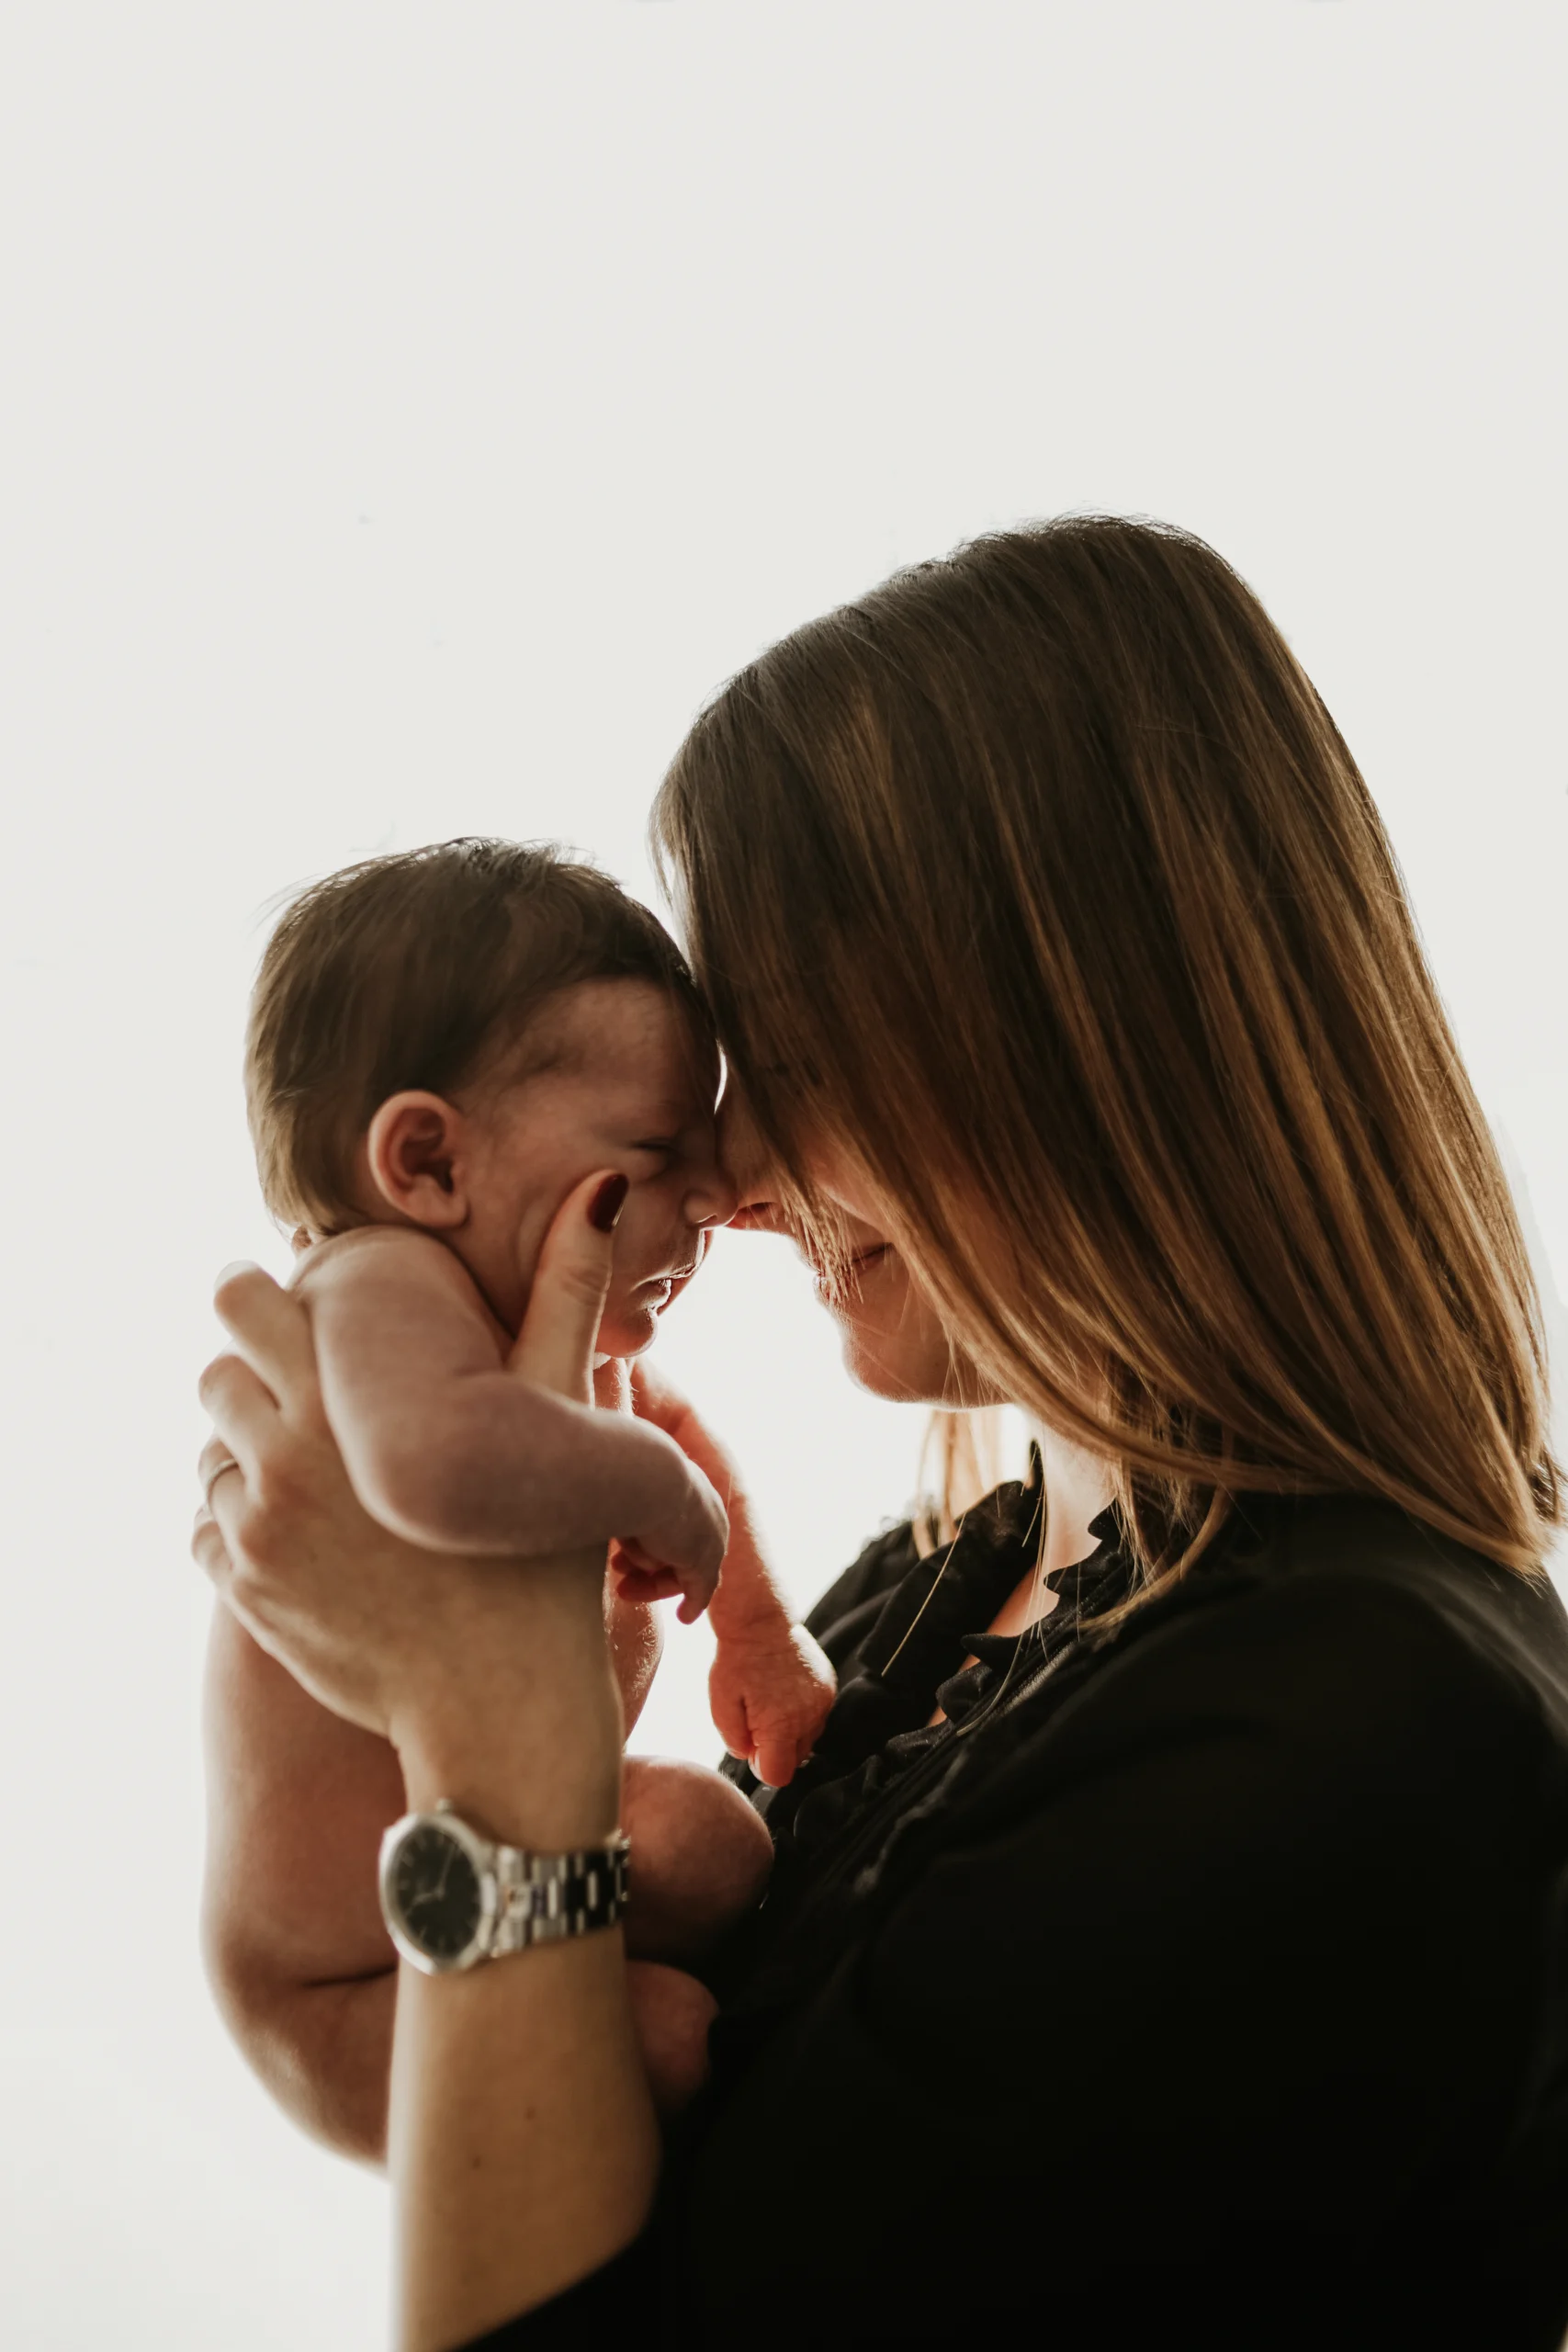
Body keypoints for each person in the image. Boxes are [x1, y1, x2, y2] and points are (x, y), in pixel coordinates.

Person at [195, 515, 1568, 2351]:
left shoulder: (1343, 1717)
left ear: (1055, 1035)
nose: (735, 1174)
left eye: (786, 1051)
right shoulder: (954, 1581)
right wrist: (548, 1712)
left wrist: (490, 1737)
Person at [204, 838, 832, 2142]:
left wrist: (757, 1631)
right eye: (657, 1149)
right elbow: (437, 1464)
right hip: (346, 1982)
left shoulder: (533, 1348)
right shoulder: (375, 1284)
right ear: (429, 1164)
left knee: (712, 1854)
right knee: (667, 2031)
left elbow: (672, 1435)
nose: (713, 1194)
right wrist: (660, 1494)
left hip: (499, 1864)